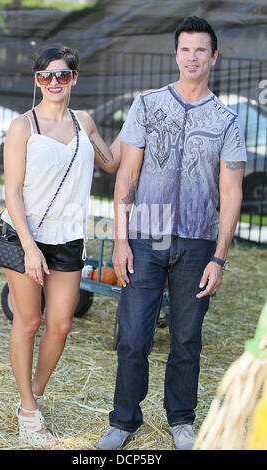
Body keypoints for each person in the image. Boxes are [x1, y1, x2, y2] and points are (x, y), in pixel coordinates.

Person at [96, 16, 247, 451]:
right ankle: (123, 421)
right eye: (185, 49)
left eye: (201, 50)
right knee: (134, 336)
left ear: (213, 57)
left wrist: (219, 256)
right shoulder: (147, 105)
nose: (193, 57)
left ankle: (181, 420)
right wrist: (121, 240)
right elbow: (125, 176)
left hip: (199, 241)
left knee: (186, 338)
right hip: (146, 237)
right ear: (176, 54)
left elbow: (232, 191)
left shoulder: (226, 119)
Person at [1, 44, 121, 447]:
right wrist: (30, 247)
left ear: (74, 78)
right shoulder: (23, 127)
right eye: (45, 75)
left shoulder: (84, 121)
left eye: (62, 75)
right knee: (29, 321)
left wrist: (139, 120)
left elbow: (111, 161)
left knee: (61, 324)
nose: (54, 82)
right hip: (25, 236)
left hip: (69, 237)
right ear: (37, 80)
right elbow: (12, 193)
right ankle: (29, 412)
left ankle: (31, 397)